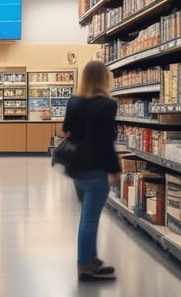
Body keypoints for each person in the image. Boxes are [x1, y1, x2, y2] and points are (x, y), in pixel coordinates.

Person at [62, 60, 120, 282]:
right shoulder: (107, 104)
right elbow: (105, 142)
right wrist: (114, 169)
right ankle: (85, 266)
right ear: (104, 78)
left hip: (76, 168)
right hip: (96, 167)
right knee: (90, 219)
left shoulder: (74, 101)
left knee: (86, 217)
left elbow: (66, 130)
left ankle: (90, 259)